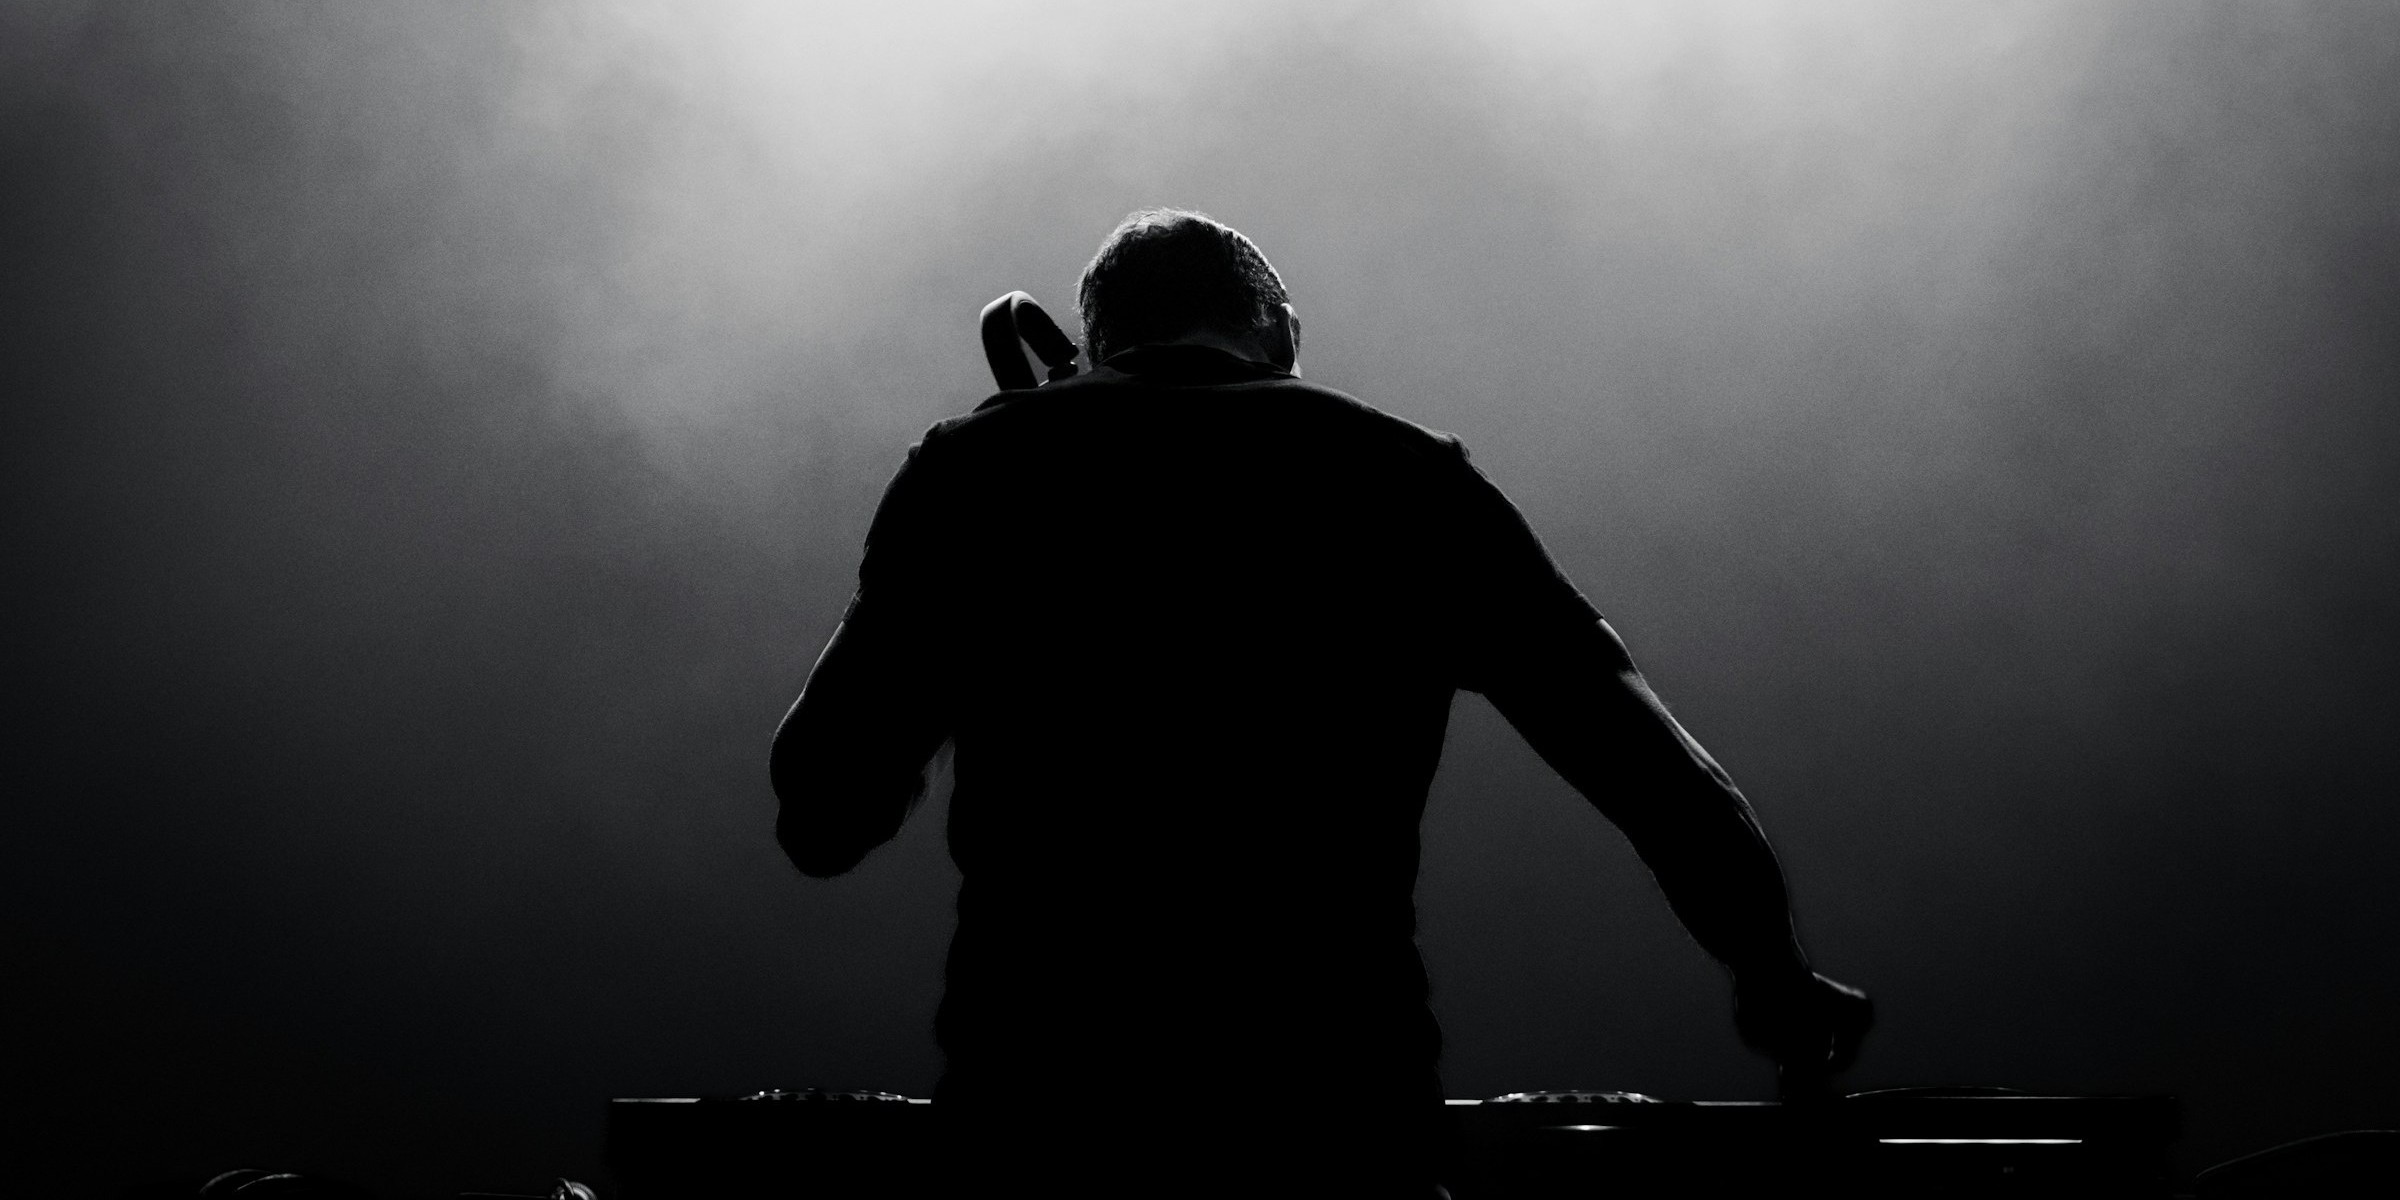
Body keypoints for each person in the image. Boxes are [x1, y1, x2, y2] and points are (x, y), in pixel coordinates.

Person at [770, 208, 1869, 1197]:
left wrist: (982, 673)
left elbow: (821, 815)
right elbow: (1656, 772)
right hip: (1339, 1136)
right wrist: (1773, 976)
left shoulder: (970, 471)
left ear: (1097, 342)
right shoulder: (1410, 477)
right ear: (1284, 334)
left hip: (1040, 1133)